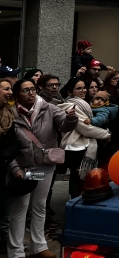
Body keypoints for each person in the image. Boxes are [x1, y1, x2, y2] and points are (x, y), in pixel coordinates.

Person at [7, 79, 77, 258]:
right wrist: (14, 167)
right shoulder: (10, 113)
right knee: (20, 208)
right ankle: (16, 251)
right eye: (25, 90)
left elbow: (65, 125)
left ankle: (39, 246)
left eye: (32, 89)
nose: (30, 93)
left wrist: (71, 118)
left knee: (39, 206)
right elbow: (5, 146)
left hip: (44, 166)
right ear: (17, 95)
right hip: (22, 168)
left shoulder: (48, 108)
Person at [59, 80, 111, 198]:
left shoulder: (84, 103)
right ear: (70, 92)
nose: (83, 90)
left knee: (78, 179)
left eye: (84, 87)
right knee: (79, 179)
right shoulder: (72, 105)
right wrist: (106, 134)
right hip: (76, 146)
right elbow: (85, 128)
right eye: (79, 88)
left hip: (81, 145)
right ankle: (75, 204)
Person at [0, 79, 19, 249]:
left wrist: (4, 157)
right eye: (6, 89)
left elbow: (13, 143)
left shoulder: (8, 114)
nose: (10, 92)